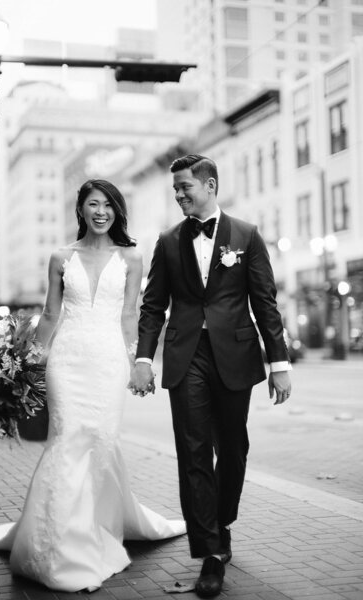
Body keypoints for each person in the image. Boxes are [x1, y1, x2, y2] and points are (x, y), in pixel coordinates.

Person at [0, 179, 185, 592]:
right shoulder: (60, 256)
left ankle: (98, 524)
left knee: (101, 441)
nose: (100, 211)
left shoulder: (132, 257)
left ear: (117, 211)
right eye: (93, 204)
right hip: (66, 361)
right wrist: (27, 360)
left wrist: (138, 361)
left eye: (108, 204)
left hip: (107, 361)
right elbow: (50, 314)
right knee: (67, 439)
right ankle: (60, 542)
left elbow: (130, 315)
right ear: (81, 210)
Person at [130, 155, 292, 599]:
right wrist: (144, 358)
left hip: (235, 355)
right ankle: (209, 554)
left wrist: (279, 364)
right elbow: (152, 307)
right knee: (193, 452)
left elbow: (265, 302)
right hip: (186, 357)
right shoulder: (167, 241)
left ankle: (221, 524)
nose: (179, 195)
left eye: (185, 187)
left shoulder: (246, 235)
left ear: (210, 185)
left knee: (234, 449)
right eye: (175, 190)